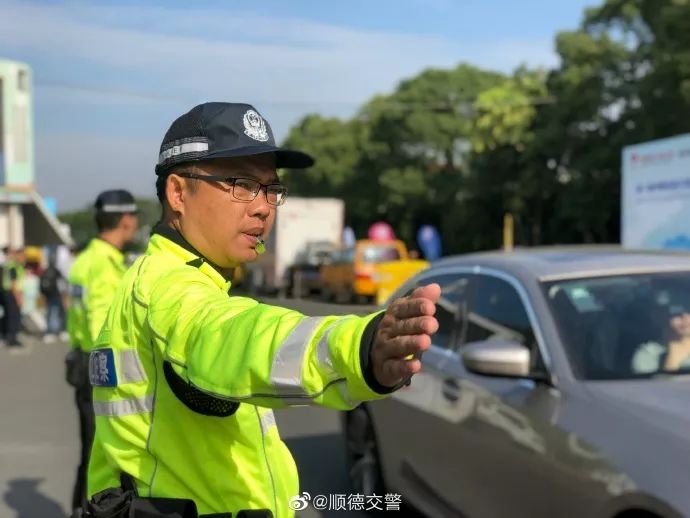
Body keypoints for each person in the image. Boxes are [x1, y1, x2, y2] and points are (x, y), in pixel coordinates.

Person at [84, 102, 440, 518]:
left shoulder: (182, 277)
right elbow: (232, 336)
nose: (263, 207)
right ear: (178, 193)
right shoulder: (167, 286)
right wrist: (357, 346)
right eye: (241, 184)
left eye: (271, 189)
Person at [66, 190, 139, 513]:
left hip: (82, 362)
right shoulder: (105, 266)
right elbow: (102, 330)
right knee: (107, 456)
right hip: (103, 374)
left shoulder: (84, 260)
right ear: (126, 219)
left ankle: (79, 509)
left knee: (91, 453)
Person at [632, 292, 690, 373]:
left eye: (689, 309)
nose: (685, 317)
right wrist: (674, 354)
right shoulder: (649, 354)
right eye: (676, 312)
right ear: (658, 317)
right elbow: (652, 385)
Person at [40, 250, 68, 343]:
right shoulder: (57, 271)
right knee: (61, 313)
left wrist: (43, 295)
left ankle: (49, 332)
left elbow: (41, 285)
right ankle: (62, 331)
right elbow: (62, 283)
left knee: (49, 314)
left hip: (48, 295)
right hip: (57, 295)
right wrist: (64, 295)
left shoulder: (45, 271)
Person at [3, 247, 25, 349]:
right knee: (13, 316)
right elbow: (14, 283)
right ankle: (12, 339)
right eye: (22, 256)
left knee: (11, 316)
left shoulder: (13, 265)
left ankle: (11, 337)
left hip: (10, 293)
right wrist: (18, 298)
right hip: (12, 294)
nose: (23, 258)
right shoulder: (13, 266)